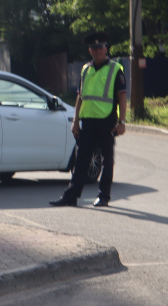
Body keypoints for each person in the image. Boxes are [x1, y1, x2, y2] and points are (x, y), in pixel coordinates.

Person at [50, 32, 128, 207]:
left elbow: (122, 97)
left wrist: (122, 122)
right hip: (87, 122)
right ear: (90, 51)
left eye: (101, 48)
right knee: (81, 160)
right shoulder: (86, 69)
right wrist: (75, 121)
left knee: (107, 160)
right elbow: (80, 97)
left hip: (107, 120)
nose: (98, 51)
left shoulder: (116, 69)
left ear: (106, 49)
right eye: (95, 48)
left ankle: (103, 196)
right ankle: (71, 196)